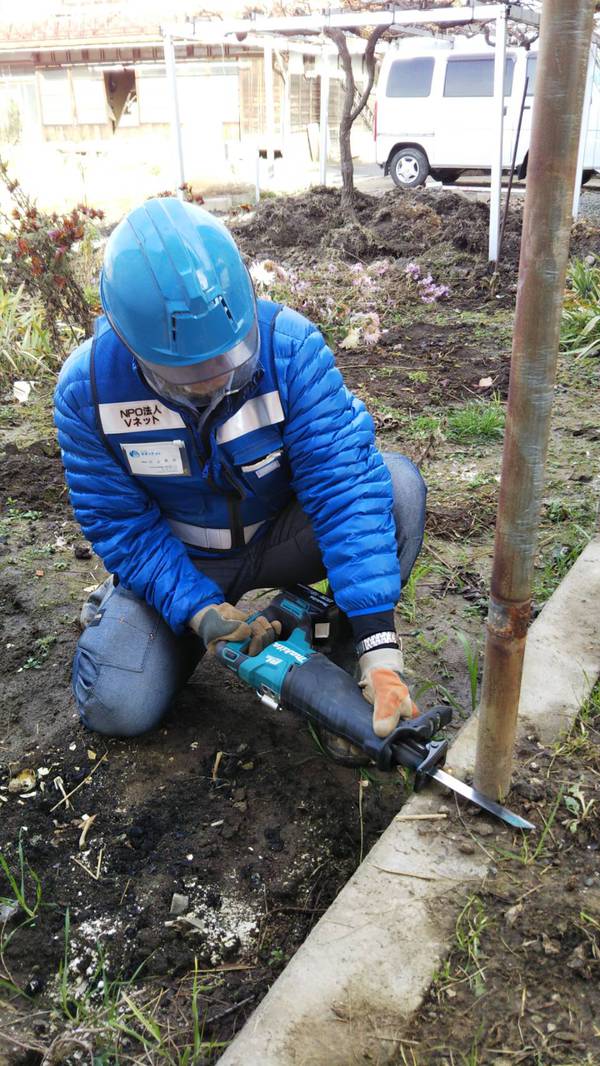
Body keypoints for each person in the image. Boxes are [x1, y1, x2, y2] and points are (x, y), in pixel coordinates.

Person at [54, 197, 426, 753]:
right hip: (184, 557)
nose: (215, 383)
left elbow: (344, 487)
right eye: (189, 375)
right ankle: (137, 612)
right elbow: (120, 524)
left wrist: (381, 645)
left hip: (280, 536)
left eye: (230, 361)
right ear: (131, 344)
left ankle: (340, 642)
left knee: (393, 489)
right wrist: (198, 609)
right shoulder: (90, 393)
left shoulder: (290, 350)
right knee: (117, 704)